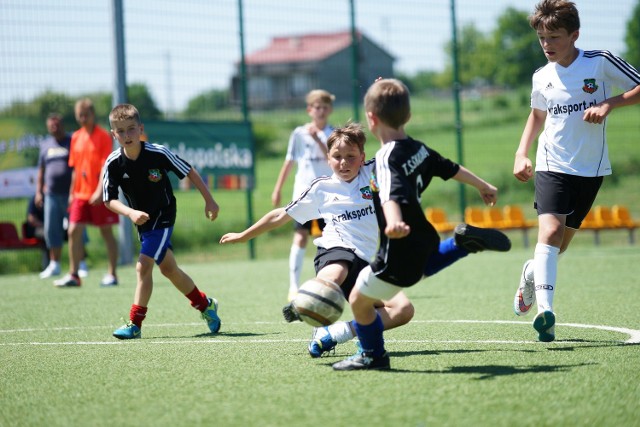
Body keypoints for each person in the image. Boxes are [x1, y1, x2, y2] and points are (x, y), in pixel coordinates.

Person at [220, 123, 510, 358]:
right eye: (337, 157)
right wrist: (245, 235)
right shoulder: (322, 188)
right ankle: (312, 302)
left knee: (404, 311)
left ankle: (334, 333)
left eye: (351, 156)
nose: (344, 163)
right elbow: (281, 215)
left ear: (362, 156)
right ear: (328, 158)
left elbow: (390, 140)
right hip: (337, 250)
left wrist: (382, 103)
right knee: (336, 272)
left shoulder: (375, 173)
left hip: (373, 259)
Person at [331, 78, 508, 371]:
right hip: (425, 235)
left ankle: (373, 356)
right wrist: (482, 184)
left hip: (400, 240)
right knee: (418, 270)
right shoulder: (417, 148)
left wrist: (394, 222)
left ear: (371, 118)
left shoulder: (386, 159)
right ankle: (462, 243)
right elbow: (449, 168)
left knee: (359, 300)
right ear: (408, 116)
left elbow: (391, 194)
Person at [511, 0, 640, 342]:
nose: (547, 44)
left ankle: (530, 274)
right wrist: (521, 152)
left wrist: (609, 103)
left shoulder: (599, 62)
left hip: (591, 169)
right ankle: (546, 313)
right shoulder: (541, 76)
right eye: (541, 37)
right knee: (550, 232)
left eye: (554, 36)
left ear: (575, 35)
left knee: (559, 246)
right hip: (551, 163)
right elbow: (537, 115)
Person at [103, 103, 221, 339]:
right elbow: (109, 200)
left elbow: (189, 171)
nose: (127, 135)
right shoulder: (113, 163)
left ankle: (134, 324)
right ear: (113, 134)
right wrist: (130, 213)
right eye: (121, 131)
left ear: (141, 129)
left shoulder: (158, 153)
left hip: (164, 215)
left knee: (143, 265)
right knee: (169, 269)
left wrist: (210, 200)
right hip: (142, 220)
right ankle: (205, 305)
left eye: (131, 129)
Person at [271, 89, 335, 302]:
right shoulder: (298, 133)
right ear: (310, 110)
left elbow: (334, 160)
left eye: (325, 107)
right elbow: (289, 161)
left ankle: (326, 285)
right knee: (300, 237)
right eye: (317, 107)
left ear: (330, 110)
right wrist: (278, 188)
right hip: (303, 195)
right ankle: (294, 287)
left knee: (327, 239)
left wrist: (318, 140)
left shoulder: (333, 133)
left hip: (326, 196)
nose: (321, 111)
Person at [54, 99, 119, 287]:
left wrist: (100, 190)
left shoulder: (103, 136)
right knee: (73, 230)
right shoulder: (75, 137)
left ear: (93, 114)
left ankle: (112, 274)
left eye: (86, 115)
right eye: (79, 115)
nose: (82, 119)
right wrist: (71, 193)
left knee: (106, 232)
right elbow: (75, 168)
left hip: (100, 193)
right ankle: (74, 275)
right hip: (80, 195)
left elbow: (105, 166)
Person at [35, 113, 90, 278]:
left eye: (57, 124)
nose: (54, 127)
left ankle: (81, 264)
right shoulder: (45, 145)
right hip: (51, 195)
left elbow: (78, 166)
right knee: (52, 229)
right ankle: (55, 265)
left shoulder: (72, 141)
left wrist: (76, 190)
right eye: (51, 125)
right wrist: (38, 192)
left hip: (72, 195)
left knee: (77, 229)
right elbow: (41, 171)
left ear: (63, 125)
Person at [25, 194, 49, 270]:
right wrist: (44, 225)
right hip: (36, 230)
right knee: (48, 235)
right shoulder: (35, 198)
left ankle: (81, 261)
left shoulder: (52, 199)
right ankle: (48, 265)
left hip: (49, 229)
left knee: (72, 234)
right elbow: (31, 219)